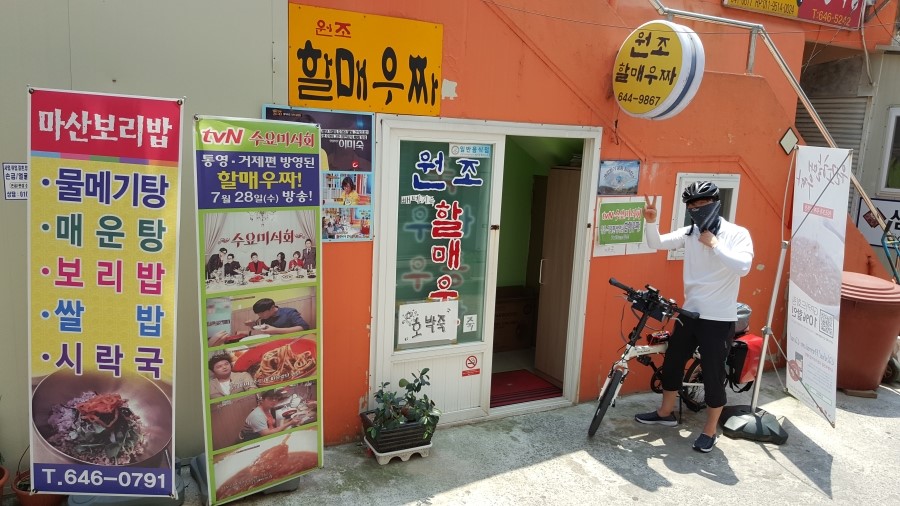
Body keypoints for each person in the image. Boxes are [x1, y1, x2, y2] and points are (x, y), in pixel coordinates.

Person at [635, 181, 754, 453]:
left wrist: (715, 244)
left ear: (715, 203)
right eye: (692, 205)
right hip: (689, 313)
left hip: (719, 318)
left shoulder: (736, 234)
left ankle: (709, 430)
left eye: (702, 203)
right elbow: (656, 242)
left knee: (713, 374)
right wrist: (651, 222)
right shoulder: (690, 232)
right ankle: (665, 413)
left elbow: (743, 267)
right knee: (673, 362)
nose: (697, 209)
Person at [244, 297, 310, 335]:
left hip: (293, 340)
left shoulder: (289, 312)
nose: (259, 315)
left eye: (261, 313)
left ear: (272, 308)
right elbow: (260, 330)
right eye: (258, 314)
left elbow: (304, 327)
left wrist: (276, 330)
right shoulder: (264, 317)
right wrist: (252, 325)